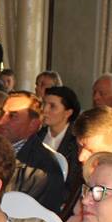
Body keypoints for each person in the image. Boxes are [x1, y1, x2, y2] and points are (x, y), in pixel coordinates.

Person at [0, 91, 65, 213]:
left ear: (33, 125)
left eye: (12, 116)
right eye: (2, 113)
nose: (1, 122)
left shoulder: (43, 170)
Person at [39, 85, 82, 215]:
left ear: (68, 113)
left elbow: (73, 182)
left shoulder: (77, 141)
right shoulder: (37, 135)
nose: (45, 110)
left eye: (52, 106)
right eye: (44, 104)